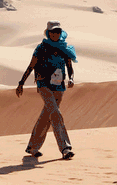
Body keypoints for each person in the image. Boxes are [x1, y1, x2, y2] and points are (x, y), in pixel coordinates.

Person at [16, 20, 76, 159]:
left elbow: (69, 66)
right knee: (55, 113)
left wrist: (71, 78)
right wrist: (21, 83)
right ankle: (65, 148)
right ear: (48, 33)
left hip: (59, 86)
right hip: (44, 85)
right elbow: (31, 66)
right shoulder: (41, 48)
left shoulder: (64, 48)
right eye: (53, 32)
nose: (55, 34)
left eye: (58, 31)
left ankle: (32, 147)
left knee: (46, 116)